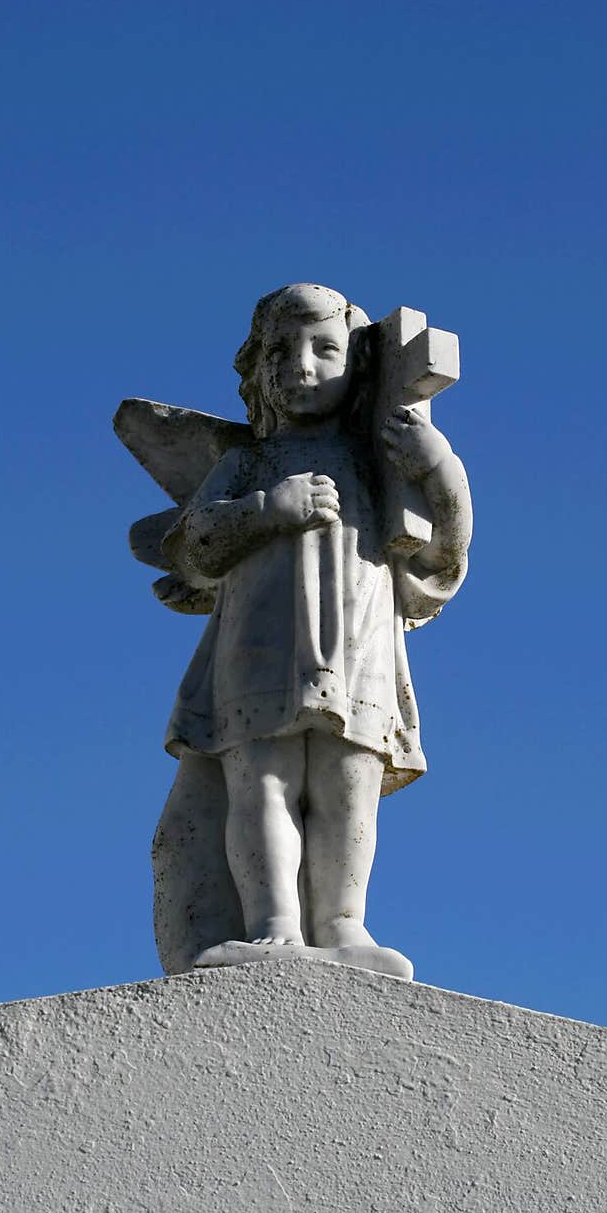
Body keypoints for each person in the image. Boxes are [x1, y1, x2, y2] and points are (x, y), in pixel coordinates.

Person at [160, 283, 472, 959]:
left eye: (325, 350)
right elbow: (191, 544)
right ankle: (274, 925)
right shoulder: (246, 464)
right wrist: (267, 510)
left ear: (358, 366)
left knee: (348, 782)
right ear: (258, 369)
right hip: (258, 645)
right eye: (281, 351)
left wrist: (438, 465)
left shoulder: (378, 463)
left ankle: (341, 926)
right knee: (263, 780)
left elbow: (447, 545)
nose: (301, 366)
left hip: (357, 642)